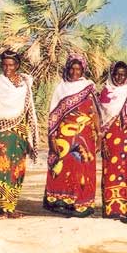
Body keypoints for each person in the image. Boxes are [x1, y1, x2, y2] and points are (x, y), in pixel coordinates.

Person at [44, 54, 101, 217]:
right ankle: (60, 202)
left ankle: (82, 205)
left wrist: (100, 136)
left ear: (83, 70)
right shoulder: (60, 88)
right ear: (67, 69)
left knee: (82, 169)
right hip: (64, 138)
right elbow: (53, 115)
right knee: (64, 168)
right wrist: (52, 137)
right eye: (72, 68)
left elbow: (95, 112)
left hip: (86, 139)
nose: (75, 72)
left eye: (78, 69)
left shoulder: (89, 87)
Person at [0, 50, 40, 220]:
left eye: (11, 65)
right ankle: (0, 210)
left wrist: (31, 136)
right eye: (5, 65)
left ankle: (10, 208)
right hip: (1, 135)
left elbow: (29, 110)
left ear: (17, 65)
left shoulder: (25, 83)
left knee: (17, 171)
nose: (7, 68)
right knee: (1, 169)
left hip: (20, 134)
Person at [97, 61, 127, 223]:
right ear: (112, 73)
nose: (119, 77)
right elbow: (100, 120)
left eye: (123, 74)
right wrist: (102, 143)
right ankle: (112, 210)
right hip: (110, 139)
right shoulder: (105, 92)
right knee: (111, 171)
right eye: (117, 74)